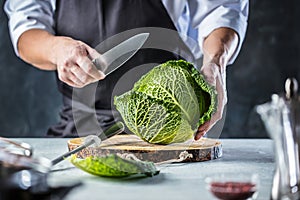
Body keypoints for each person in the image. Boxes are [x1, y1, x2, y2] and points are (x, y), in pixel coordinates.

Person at [4, 0, 248, 139]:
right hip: (79, 131)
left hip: (168, 136)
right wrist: (57, 49)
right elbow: (26, 26)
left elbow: (221, 10)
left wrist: (215, 63)